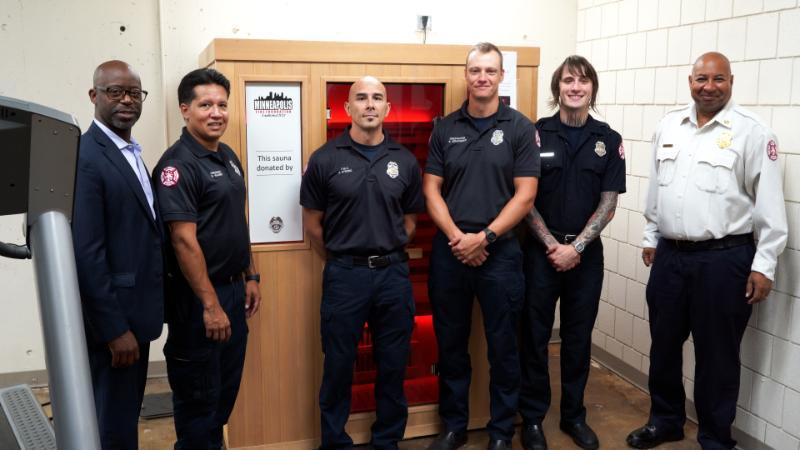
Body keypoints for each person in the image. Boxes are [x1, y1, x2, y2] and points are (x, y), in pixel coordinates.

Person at [626, 52, 787, 450]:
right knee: (662, 345)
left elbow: (769, 207)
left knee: (717, 355)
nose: (709, 87)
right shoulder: (669, 126)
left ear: (731, 81)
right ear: (690, 81)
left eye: (718, 79)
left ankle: (715, 438)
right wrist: (651, 236)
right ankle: (665, 421)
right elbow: (656, 189)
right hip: (670, 257)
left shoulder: (753, 132)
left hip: (724, 260)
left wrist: (764, 264)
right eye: (701, 79)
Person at [423, 42, 539, 450]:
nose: (482, 78)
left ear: (501, 76)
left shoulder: (520, 128)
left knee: (504, 348)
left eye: (490, 71)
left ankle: (501, 432)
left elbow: (525, 196)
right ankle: (454, 425)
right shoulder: (445, 128)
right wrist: (458, 238)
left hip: (501, 254)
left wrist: (485, 237)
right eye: (476, 70)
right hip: (451, 253)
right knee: (451, 344)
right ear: (466, 75)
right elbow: (431, 190)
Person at [300, 75, 424, 450]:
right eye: (361, 98)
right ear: (347, 108)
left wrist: (383, 251)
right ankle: (334, 442)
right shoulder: (325, 159)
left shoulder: (404, 161)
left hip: (393, 276)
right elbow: (312, 222)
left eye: (377, 98)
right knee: (338, 366)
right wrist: (345, 255)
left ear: (387, 108)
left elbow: (410, 221)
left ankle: (387, 440)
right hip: (345, 276)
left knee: (393, 364)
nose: (369, 104)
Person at [519, 55, 625, 450]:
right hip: (540, 255)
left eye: (582, 81)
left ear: (592, 88)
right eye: (568, 81)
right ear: (557, 88)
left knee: (578, 339)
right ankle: (532, 419)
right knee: (534, 337)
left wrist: (576, 247)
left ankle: (573, 416)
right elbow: (524, 197)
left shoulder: (608, 140)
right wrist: (552, 246)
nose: (575, 87)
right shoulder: (535, 135)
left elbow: (609, 202)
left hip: (586, 257)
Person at [153, 68, 262, 449]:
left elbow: (237, 220)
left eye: (222, 104)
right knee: (198, 402)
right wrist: (211, 305)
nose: (216, 113)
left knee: (222, 399)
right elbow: (184, 241)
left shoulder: (227, 155)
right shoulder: (177, 165)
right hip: (199, 303)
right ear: (185, 110)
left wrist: (251, 274)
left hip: (233, 293)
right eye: (205, 105)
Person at [72, 60, 163, 450]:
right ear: (94, 96)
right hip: (115, 326)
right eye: (115, 92)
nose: (126, 100)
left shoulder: (128, 151)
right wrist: (113, 329)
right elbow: (87, 252)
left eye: (134, 93)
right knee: (112, 424)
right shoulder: (87, 156)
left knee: (123, 417)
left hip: (135, 315)